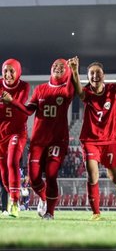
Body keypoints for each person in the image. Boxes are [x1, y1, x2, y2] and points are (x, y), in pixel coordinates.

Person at [68, 54, 116, 221]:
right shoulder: (87, 92)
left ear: (104, 75)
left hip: (111, 140)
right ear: (88, 77)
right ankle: (96, 213)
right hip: (90, 140)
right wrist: (74, 70)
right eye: (91, 73)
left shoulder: (113, 90)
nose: (95, 75)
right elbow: (79, 91)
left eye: (98, 73)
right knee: (92, 175)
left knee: (114, 177)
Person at [2, 59, 74, 220]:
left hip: (57, 140)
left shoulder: (66, 90)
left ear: (67, 72)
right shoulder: (40, 89)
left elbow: (71, 88)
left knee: (51, 174)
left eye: (62, 67)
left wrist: (74, 71)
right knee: (34, 179)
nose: (57, 68)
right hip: (38, 141)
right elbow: (28, 111)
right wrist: (12, 102)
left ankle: (50, 212)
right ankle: (43, 198)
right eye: (55, 65)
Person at [0, 59, 30, 218]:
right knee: (3, 174)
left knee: (12, 161)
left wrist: (11, 102)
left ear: (18, 72)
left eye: (12, 70)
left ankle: (16, 202)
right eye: (5, 70)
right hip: (0, 135)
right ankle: (11, 199)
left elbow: (22, 108)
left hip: (17, 132)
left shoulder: (24, 86)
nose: (8, 74)